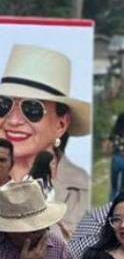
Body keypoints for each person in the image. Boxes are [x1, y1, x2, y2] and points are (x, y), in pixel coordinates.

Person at [0, 44, 93, 185]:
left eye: (32, 109)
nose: (14, 120)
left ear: (61, 125)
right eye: (3, 105)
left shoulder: (80, 189)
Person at [106, 114, 124, 197]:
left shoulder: (114, 132)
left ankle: (111, 205)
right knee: (123, 187)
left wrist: (109, 153)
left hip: (116, 157)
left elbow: (109, 145)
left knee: (114, 187)